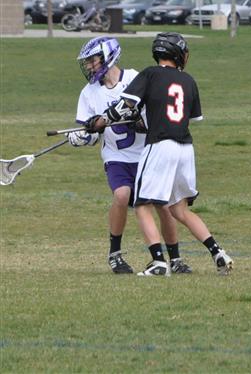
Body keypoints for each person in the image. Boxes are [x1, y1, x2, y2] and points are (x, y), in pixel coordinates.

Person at [85, 32, 233, 276]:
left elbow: (123, 106)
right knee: (179, 209)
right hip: (185, 148)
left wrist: (99, 122)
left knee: (142, 205)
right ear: (178, 55)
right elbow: (192, 117)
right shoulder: (188, 80)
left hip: (160, 146)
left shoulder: (150, 74)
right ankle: (218, 252)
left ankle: (158, 263)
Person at [69, 36, 191, 274]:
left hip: (147, 153)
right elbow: (90, 132)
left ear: (108, 57)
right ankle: (115, 254)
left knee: (162, 205)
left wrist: (138, 121)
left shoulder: (136, 78)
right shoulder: (89, 93)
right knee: (122, 195)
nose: (89, 66)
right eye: (87, 62)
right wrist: (83, 137)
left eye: (93, 60)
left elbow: (155, 115)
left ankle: (175, 259)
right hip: (116, 157)